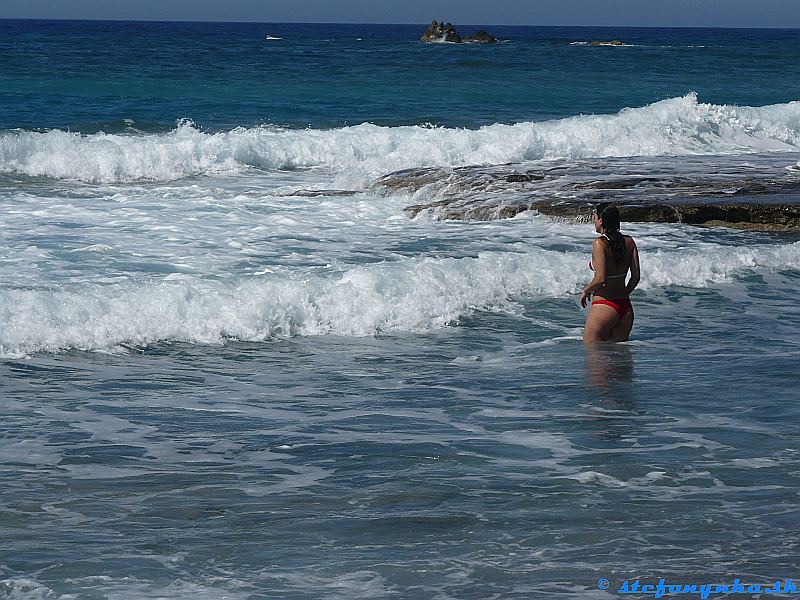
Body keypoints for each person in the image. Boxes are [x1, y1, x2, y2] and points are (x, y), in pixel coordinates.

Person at [579, 203, 640, 344]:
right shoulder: (629, 241)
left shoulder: (599, 243)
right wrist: (623, 293)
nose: (594, 220)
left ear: (601, 220)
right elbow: (635, 277)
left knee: (593, 356)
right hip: (625, 309)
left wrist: (586, 290)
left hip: (604, 306)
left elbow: (600, 279)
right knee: (620, 361)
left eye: (594, 217)